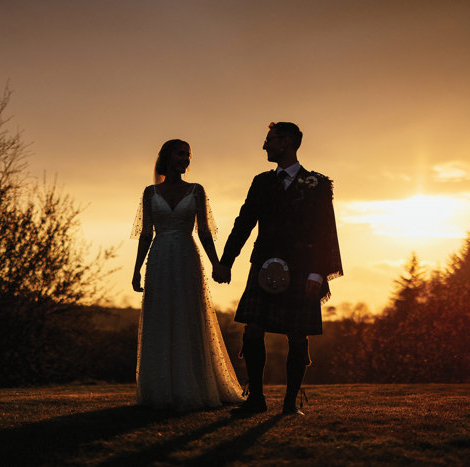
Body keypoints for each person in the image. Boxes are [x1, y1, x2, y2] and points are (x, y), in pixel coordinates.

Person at [213, 122, 343, 416]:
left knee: (297, 334)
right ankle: (255, 399)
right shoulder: (261, 182)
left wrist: (317, 273)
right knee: (253, 329)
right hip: (263, 266)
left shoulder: (317, 184)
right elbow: (244, 223)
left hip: (303, 268)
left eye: (269, 139)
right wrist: (226, 261)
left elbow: (325, 231)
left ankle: (289, 404)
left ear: (286, 141)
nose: (265, 145)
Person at [131, 139, 244, 411]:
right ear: (167, 156)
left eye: (188, 155)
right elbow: (146, 233)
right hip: (158, 258)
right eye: (181, 154)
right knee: (160, 316)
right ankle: (160, 389)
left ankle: (193, 385)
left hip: (186, 255)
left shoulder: (196, 190)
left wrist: (217, 263)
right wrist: (136, 270)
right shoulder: (149, 192)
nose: (185, 159)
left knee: (187, 314)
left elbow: (204, 231)